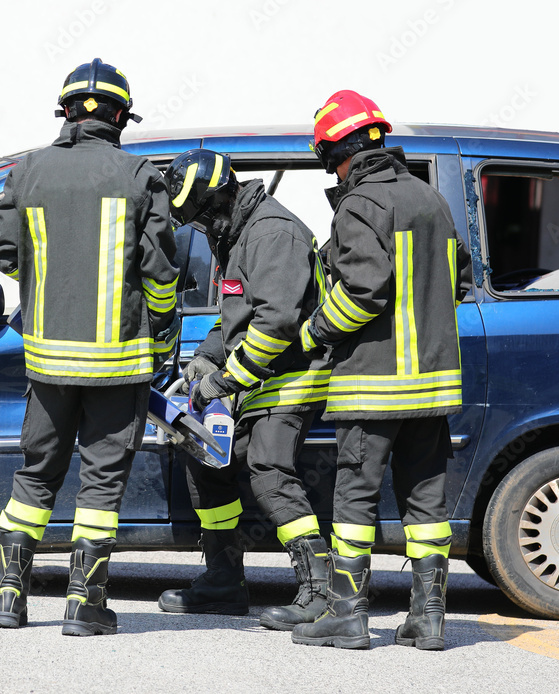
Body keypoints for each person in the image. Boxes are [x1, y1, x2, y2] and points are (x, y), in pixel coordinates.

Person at [0, 58, 179, 636]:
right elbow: (161, 272)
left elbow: (4, 254)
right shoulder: (141, 174)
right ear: (119, 116)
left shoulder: (27, 172)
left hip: (47, 364)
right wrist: (164, 331)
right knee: (99, 484)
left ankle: (9, 598)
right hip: (119, 366)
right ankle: (83, 605)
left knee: (35, 475)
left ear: (66, 112)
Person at [292, 90, 470, 651]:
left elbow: (365, 290)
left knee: (354, 502)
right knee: (426, 506)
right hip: (433, 386)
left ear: (333, 153)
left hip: (374, 384)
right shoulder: (431, 199)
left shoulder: (357, 205)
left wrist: (314, 331)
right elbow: (459, 278)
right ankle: (430, 618)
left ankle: (347, 615)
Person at [157, 149, 331, 630]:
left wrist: (223, 380)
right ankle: (223, 582)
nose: (201, 226)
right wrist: (207, 357)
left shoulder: (273, 233)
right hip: (256, 379)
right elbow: (233, 321)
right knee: (205, 460)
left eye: (202, 214)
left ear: (221, 197)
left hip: (293, 375)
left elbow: (276, 324)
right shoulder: (235, 234)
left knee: (268, 469)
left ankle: (321, 592)